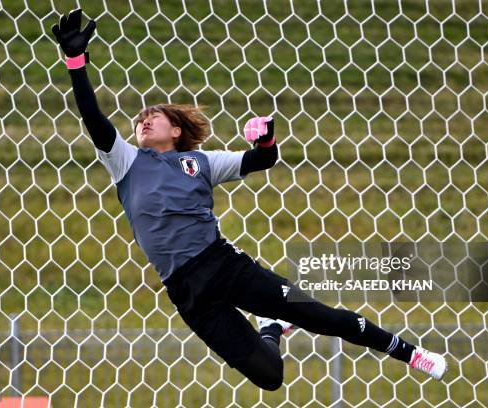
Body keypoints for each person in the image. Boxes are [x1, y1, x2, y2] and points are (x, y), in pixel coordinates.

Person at [51, 9, 448, 391]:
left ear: (175, 130)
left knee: (316, 315)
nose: (143, 120)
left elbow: (263, 158)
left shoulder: (201, 161)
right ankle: (271, 326)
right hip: (186, 292)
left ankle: (410, 353)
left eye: (153, 116)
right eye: (139, 119)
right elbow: (93, 118)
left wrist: (266, 140)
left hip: (225, 266)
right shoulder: (125, 162)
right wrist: (75, 60)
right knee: (269, 376)